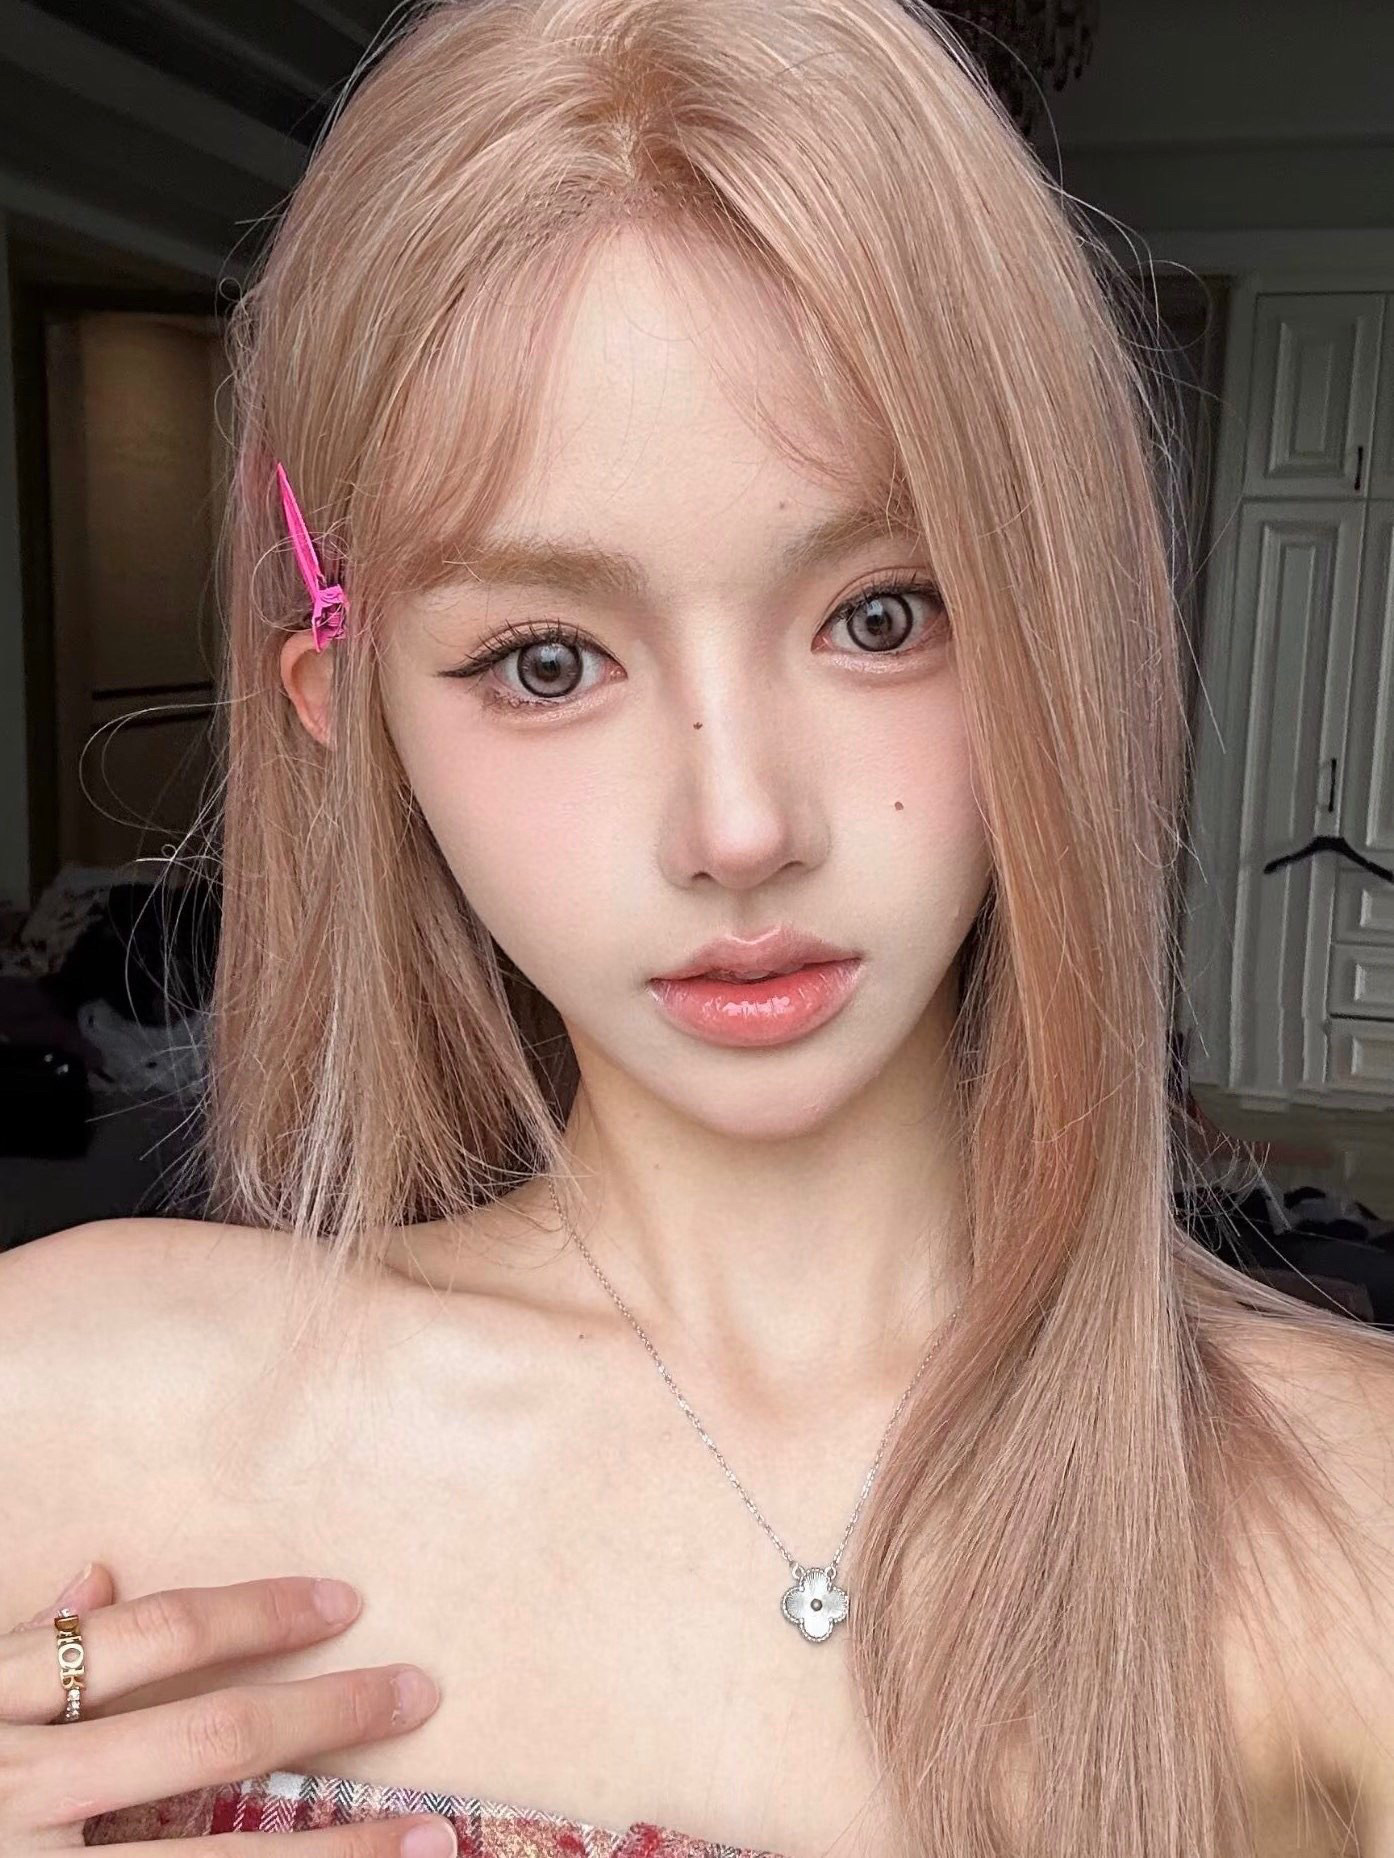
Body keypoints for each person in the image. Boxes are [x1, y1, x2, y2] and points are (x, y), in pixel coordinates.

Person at [3, 0, 1393, 1853]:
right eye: (546, 660)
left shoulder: (1348, 1515)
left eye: (884, 614)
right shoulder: (69, 1399)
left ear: (1065, 631)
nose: (738, 827)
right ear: (355, 716)